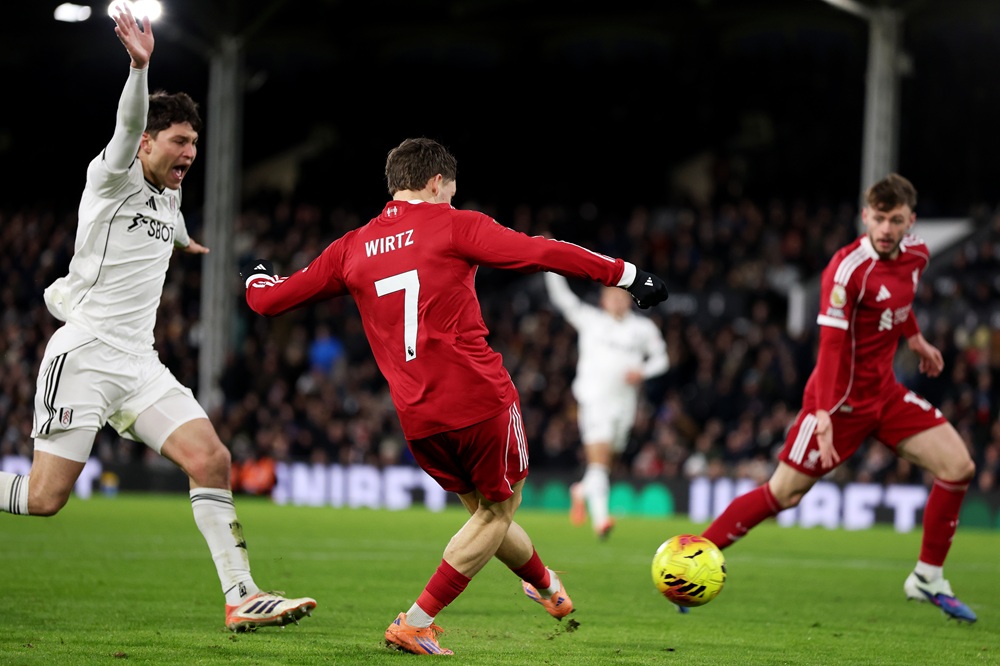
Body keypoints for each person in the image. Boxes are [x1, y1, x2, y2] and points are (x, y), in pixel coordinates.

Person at [241, 136, 669, 655]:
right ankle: (416, 620)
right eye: (451, 190)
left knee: (485, 514)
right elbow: (542, 251)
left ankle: (545, 585)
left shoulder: (350, 247)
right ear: (435, 182)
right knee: (496, 514)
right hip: (479, 399)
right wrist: (626, 274)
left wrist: (256, 277)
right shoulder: (454, 224)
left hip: (418, 416)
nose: (452, 198)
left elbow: (270, 301)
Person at [0, 6, 316, 633]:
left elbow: (166, 220)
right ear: (146, 141)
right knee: (44, 499)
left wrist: (185, 239)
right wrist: (138, 69)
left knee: (212, 459)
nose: (190, 154)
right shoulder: (111, 176)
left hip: (140, 365)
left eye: (195, 144)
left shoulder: (168, 193)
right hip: (85, 354)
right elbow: (125, 126)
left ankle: (241, 595)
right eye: (179, 142)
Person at [700, 173, 977, 623]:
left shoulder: (918, 255)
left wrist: (916, 339)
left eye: (896, 220)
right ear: (866, 216)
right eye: (879, 218)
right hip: (838, 403)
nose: (886, 229)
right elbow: (829, 348)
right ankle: (692, 561)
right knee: (782, 494)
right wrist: (824, 414)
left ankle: (928, 576)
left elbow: (898, 306)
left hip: (884, 396)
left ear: (911, 222)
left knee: (959, 466)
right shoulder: (846, 270)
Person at [543, 271, 669, 539]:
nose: (617, 301)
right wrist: (550, 266)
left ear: (629, 299)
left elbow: (662, 359)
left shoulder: (642, 329)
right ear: (603, 300)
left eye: (621, 296)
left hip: (625, 405)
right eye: (611, 296)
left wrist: (642, 372)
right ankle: (601, 519)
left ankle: (580, 490)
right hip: (594, 400)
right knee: (599, 462)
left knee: (605, 464)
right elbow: (563, 298)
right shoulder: (591, 321)